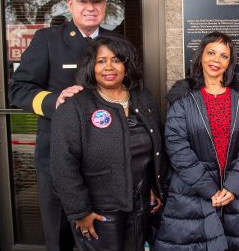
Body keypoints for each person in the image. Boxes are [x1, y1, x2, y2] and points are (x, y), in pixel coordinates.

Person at [8, 0, 114, 250]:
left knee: (102, 236)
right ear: (69, 4)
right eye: (82, 2)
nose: (90, 8)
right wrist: (54, 100)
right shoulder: (48, 40)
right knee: (61, 237)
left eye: (98, 2)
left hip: (104, 160)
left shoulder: (116, 43)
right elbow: (18, 89)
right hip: (57, 157)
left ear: (105, 6)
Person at [50, 33, 167, 250]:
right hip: (99, 213)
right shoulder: (75, 106)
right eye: (101, 61)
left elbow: (156, 145)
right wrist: (80, 211)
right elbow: (62, 164)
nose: (109, 67)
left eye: (116, 60)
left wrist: (152, 185)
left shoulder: (142, 97)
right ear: (90, 67)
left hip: (140, 205)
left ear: (126, 65)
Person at [153, 31, 239, 250]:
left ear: (230, 62)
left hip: (233, 194)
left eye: (224, 55)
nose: (216, 60)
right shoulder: (183, 99)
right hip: (191, 193)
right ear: (201, 55)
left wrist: (233, 186)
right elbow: (176, 146)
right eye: (211, 52)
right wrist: (209, 190)